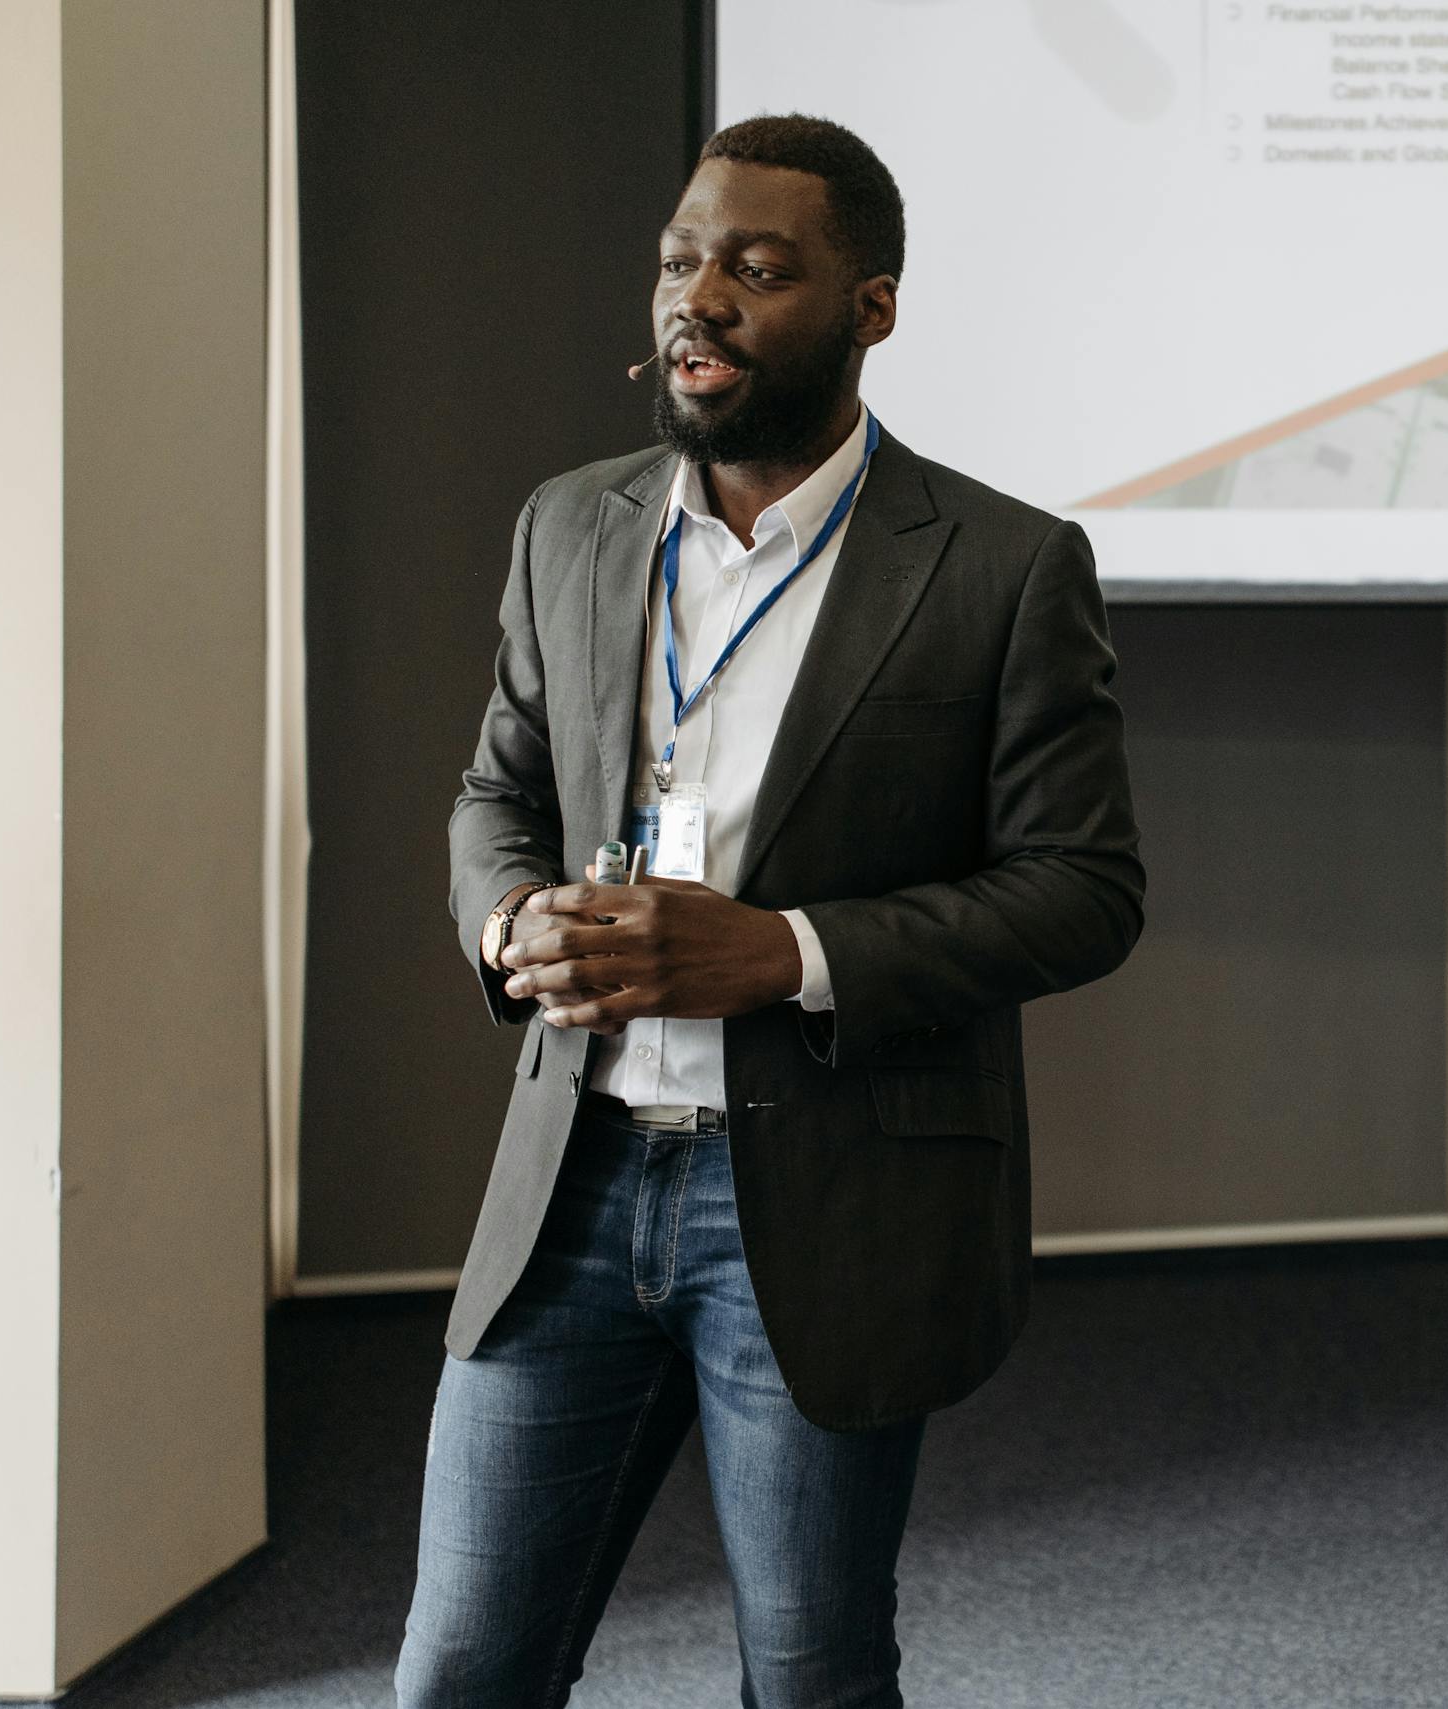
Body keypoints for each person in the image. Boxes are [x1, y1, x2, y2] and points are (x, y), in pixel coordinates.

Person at [396, 114, 1144, 1707]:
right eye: (680, 260)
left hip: (824, 1196)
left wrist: (785, 953)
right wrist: (507, 918)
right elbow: (495, 793)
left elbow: (1083, 890)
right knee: (461, 1666)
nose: (700, 299)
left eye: (757, 267)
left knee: (807, 1674)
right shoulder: (570, 528)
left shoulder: (1003, 566)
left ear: (870, 308)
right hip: (573, 1187)